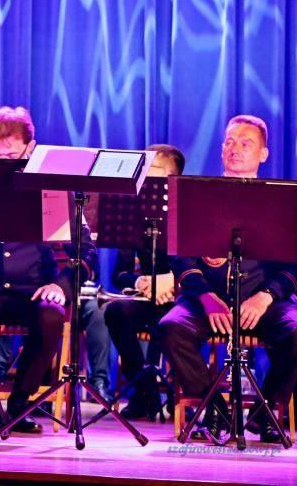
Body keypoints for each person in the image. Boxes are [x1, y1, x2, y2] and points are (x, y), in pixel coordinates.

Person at [158, 114, 297, 444]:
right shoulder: (198, 195)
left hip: (266, 301)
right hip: (208, 298)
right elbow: (180, 257)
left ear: (263, 154)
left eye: (246, 143)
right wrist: (205, 297)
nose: (236, 149)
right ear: (221, 149)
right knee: (171, 328)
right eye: (230, 142)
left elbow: (296, 266)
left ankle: (266, 412)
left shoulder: (282, 199)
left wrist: (266, 296)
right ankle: (214, 410)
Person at [0, 106, 98, 434]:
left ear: (31, 148)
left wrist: (61, 285)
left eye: (11, 156)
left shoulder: (53, 188)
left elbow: (86, 251)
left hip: (33, 292)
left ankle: (19, 406)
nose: (2, 163)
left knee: (52, 316)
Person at [104, 144, 185, 420]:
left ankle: (179, 397)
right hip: (147, 295)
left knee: (174, 323)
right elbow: (119, 274)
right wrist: (141, 282)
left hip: (180, 298)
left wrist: (170, 283)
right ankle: (145, 390)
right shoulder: (133, 216)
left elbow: (198, 266)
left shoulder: (186, 213)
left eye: (156, 171)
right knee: (115, 312)